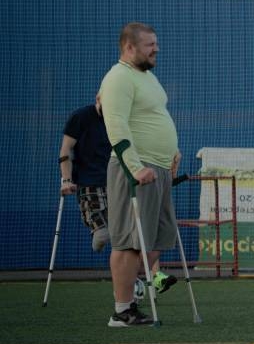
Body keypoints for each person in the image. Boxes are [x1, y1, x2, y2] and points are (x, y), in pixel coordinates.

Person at [99, 22, 181, 327]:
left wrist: (172, 151)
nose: (156, 49)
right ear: (129, 47)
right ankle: (123, 310)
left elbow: (155, 117)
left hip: (159, 168)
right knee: (129, 241)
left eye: (156, 43)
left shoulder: (147, 77)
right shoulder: (118, 77)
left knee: (157, 238)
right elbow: (116, 125)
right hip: (136, 170)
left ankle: (132, 288)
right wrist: (135, 168)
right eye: (150, 45)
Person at [59, 99, 112, 252]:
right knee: (102, 235)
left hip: (114, 182)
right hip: (89, 183)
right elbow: (66, 149)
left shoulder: (116, 118)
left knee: (123, 234)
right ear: (99, 98)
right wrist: (66, 180)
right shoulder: (81, 116)